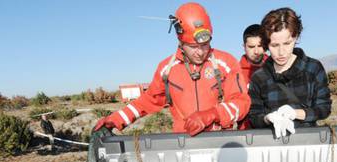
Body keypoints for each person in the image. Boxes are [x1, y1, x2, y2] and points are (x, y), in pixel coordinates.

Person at [94, 2, 250, 136]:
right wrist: (116, 119)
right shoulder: (167, 70)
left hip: (219, 143)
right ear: (180, 41)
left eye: (204, 45)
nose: (200, 51)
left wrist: (212, 114)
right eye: (193, 46)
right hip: (182, 144)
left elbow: (241, 103)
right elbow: (146, 102)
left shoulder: (226, 63)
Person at [248, 8, 331, 138]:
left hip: (309, 142)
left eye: (287, 43)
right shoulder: (259, 77)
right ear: (266, 44)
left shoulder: (313, 68)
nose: (281, 52)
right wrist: (268, 119)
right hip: (271, 145)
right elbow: (254, 116)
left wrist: (296, 113)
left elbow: (324, 108)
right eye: (274, 46)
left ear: (296, 37)